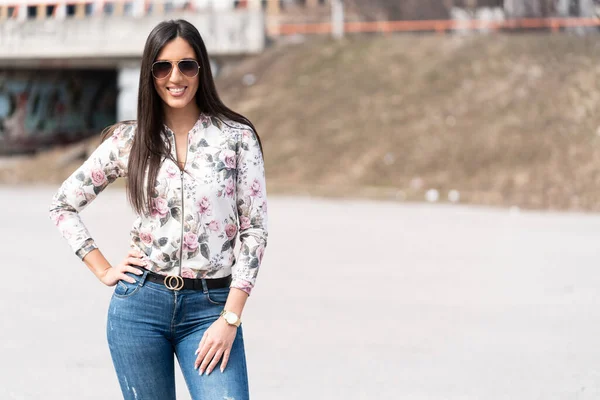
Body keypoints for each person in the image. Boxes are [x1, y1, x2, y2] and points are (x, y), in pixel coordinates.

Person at [49, 19, 267, 400]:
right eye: (163, 66)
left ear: (202, 69)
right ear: (150, 74)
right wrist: (102, 268)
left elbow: (255, 230)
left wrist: (230, 317)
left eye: (187, 65)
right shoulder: (129, 141)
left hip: (210, 307)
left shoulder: (236, 137)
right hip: (139, 307)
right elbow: (64, 205)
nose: (175, 77)